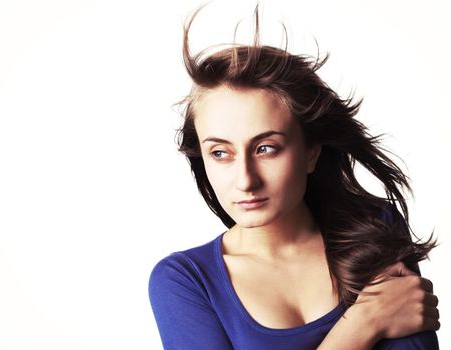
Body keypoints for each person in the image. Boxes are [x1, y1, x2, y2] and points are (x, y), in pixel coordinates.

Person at [148, 4, 440, 349]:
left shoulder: (374, 232)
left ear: (311, 152)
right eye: (220, 153)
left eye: (266, 148)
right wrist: (363, 323)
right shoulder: (187, 280)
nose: (245, 180)